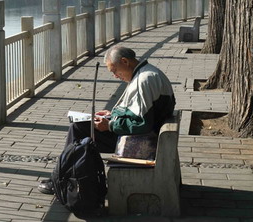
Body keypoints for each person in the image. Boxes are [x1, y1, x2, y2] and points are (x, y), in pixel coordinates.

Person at [38, 45, 176, 194]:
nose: (116, 76)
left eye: (115, 71)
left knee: (78, 129)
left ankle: (62, 180)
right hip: (151, 133)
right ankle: (68, 178)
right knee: (82, 127)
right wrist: (113, 115)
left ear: (125, 61)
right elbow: (141, 113)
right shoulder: (147, 73)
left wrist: (110, 125)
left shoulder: (143, 81)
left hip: (143, 140)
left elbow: (142, 123)